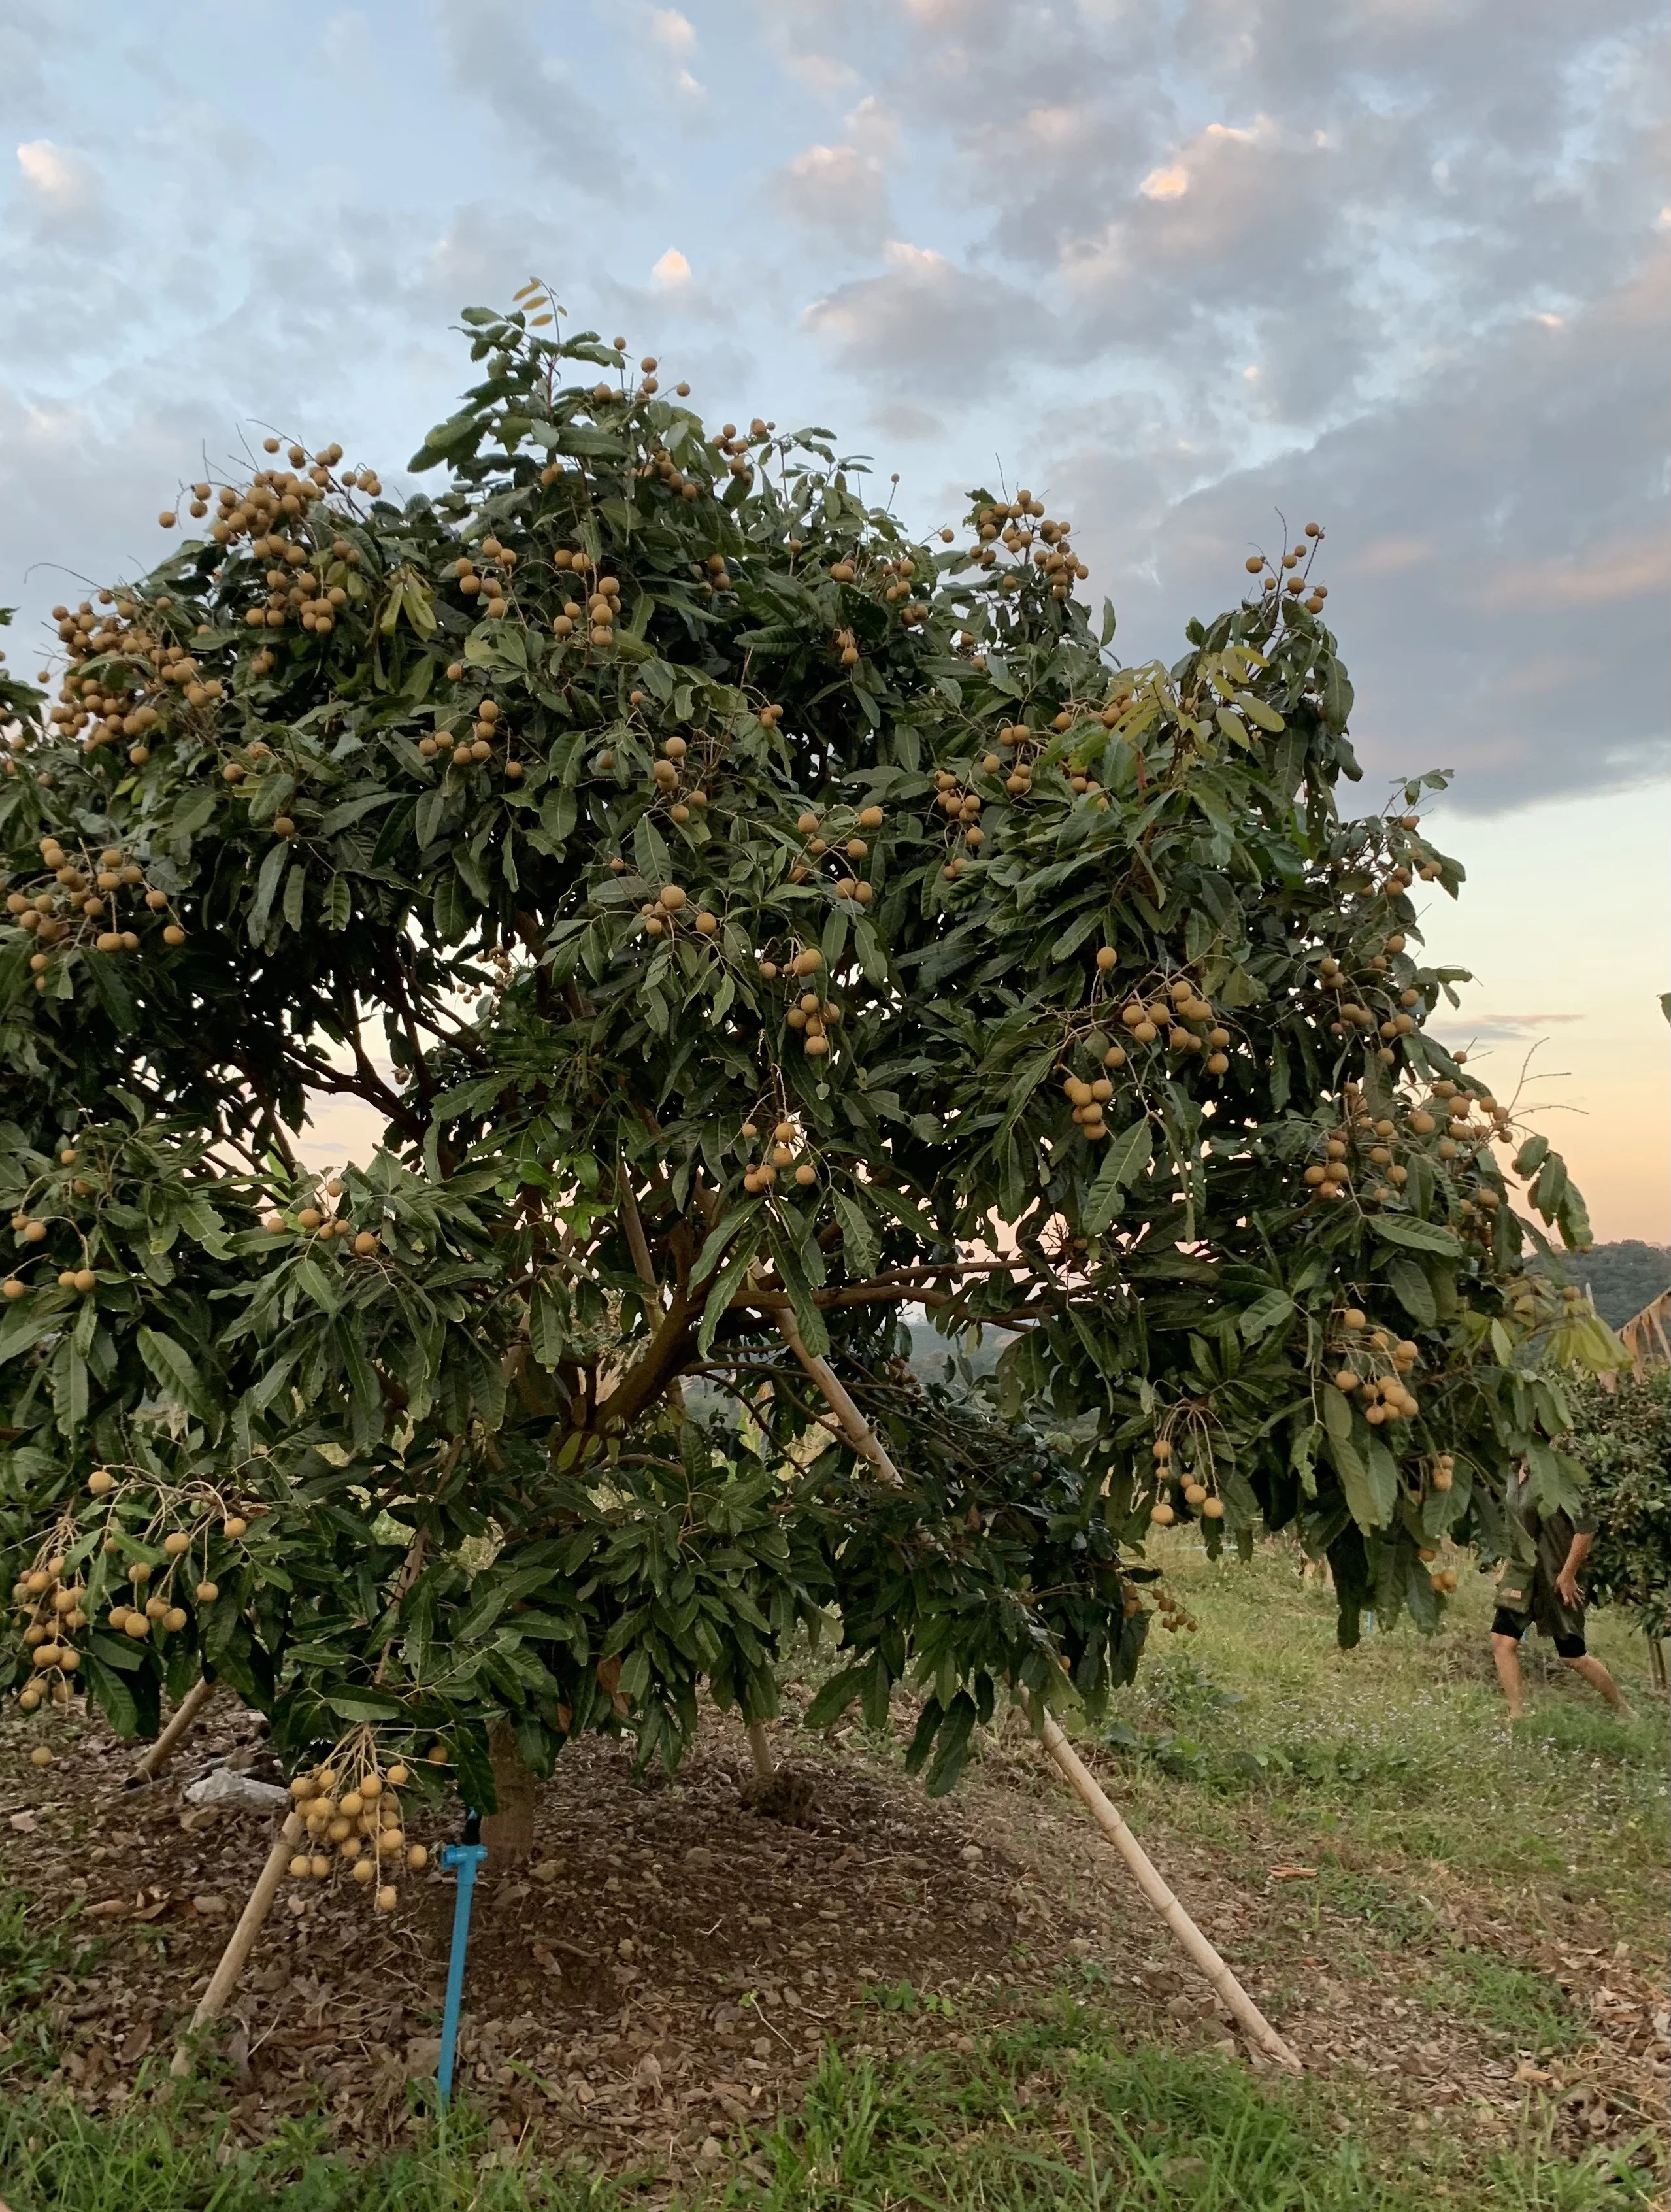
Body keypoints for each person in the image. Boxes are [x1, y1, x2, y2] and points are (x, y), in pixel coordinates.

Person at [1490, 1460, 1632, 1720]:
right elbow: (1519, 1526)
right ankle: (1517, 1715)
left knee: (1573, 1655)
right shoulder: (1512, 1471)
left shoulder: (1559, 1473)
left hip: (1554, 1574)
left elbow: (1586, 1528)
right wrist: (1507, 1565)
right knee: (1502, 1639)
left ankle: (1624, 1710)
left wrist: (1568, 1575)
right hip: (1522, 1573)